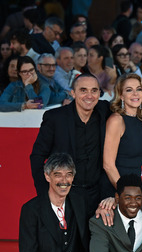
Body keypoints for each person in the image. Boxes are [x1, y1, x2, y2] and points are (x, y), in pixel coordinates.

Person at [30, 73, 110, 216]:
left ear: (99, 93)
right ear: (73, 93)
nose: (89, 96)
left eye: (94, 90)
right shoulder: (55, 118)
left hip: (97, 196)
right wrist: (45, 194)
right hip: (66, 195)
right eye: (83, 90)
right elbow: (37, 156)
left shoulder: (105, 111)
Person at [101, 73, 142, 197]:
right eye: (129, 90)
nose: (135, 93)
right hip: (116, 190)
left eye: (138, 89)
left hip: (135, 189)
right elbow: (108, 165)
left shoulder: (141, 120)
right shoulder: (116, 120)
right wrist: (124, 193)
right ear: (121, 96)